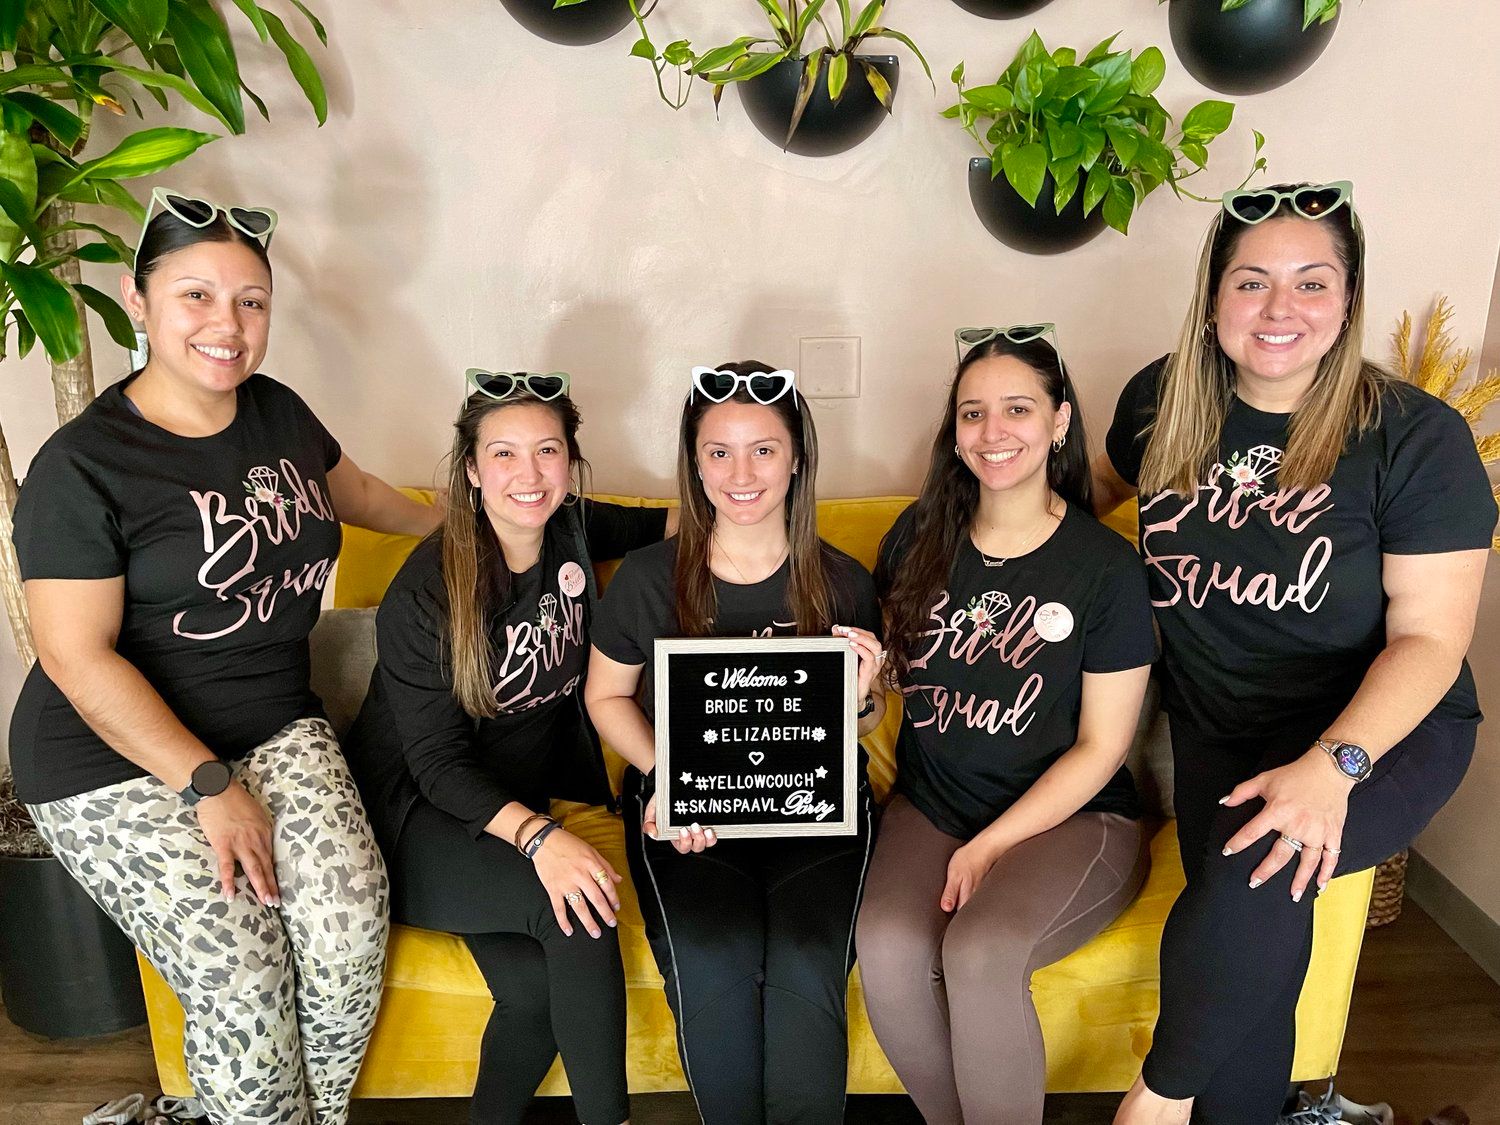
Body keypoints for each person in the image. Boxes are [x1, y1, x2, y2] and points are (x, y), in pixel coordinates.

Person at [12, 190, 441, 1125]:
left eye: (251, 301)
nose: (228, 324)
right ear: (138, 301)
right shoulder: (81, 467)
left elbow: (362, 493)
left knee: (349, 931)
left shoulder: (277, 412)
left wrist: (470, 526)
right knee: (245, 977)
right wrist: (208, 784)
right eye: (196, 295)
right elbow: (76, 659)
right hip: (110, 758)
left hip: (272, 720)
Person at [1094, 183, 1496, 1125]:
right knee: (1253, 942)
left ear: (1348, 300)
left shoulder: (1414, 438)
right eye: (1252, 281)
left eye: (1313, 282)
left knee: (1259, 871)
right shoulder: (1159, 402)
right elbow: (1104, 495)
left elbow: (1432, 640)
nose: (1281, 308)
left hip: (1383, 729)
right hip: (1220, 725)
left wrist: (1332, 767)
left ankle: (1155, 1104)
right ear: (1213, 298)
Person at [343, 371, 676, 1125]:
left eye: (547, 451)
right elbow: (437, 765)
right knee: (580, 911)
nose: (529, 474)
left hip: (507, 808)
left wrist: (754, 511)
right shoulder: (425, 592)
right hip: (414, 817)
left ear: (571, 464)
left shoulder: (571, 528)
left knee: (533, 994)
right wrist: (541, 839)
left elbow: (682, 518)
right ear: (470, 470)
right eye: (504, 454)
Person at [855, 326, 1156, 1125]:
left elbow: (1103, 746)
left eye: (1017, 408)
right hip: (932, 805)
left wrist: (989, 845)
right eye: (973, 412)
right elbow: (884, 698)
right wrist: (857, 700)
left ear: (1060, 421)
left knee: (981, 951)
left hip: (1073, 818)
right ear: (954, 430)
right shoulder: (916, 538)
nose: (993, 431)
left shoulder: (1105, 567)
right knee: (885, 944)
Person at [584, 363, 886, 1125]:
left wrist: (860, 698)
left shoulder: (844, 580)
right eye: (718, 452)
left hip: (816, 811)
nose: (741, 474)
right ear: (694, 463)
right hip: (689, 812)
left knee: (807, 955)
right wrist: (674, 777)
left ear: (797, 457)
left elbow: (865, 718)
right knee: (715, 951)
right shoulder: (648, 578)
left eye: (763, 450)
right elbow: (605, 696)